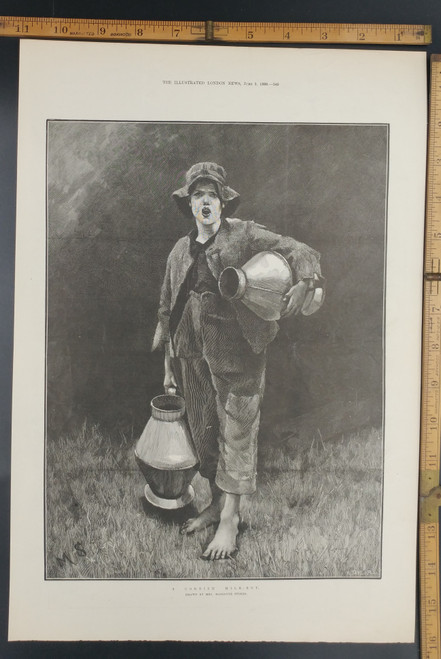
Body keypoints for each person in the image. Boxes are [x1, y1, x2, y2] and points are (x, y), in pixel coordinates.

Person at [152, 162, 323, 560]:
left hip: (237, 351)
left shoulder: (243, 233)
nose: (205, 201)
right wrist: (167, 365)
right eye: (198, 195)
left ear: (223, 201)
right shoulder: (179, 251)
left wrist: (307, 279)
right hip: (189, 351)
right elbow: (167, 308)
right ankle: (215, 503)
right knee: (202, 429)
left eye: (212, 194)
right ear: (189, 203)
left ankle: (230, 519)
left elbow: (298, 249)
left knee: (237, 431)